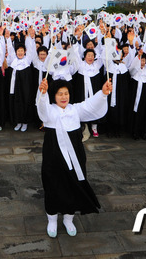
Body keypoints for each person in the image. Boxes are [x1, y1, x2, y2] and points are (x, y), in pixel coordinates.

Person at [36, 78, 112, 238]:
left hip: (75, 155)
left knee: (74, 183)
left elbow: (91, 104)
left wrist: (103, 93)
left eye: (66, 93)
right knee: (53, 184)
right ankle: (52, 218)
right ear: (54, 96)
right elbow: (42, 110)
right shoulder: (50, 111)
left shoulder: (75, 109)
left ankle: (68, 218)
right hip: (53, 155)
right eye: (59, 94)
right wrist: (42, 93)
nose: (63, 97)